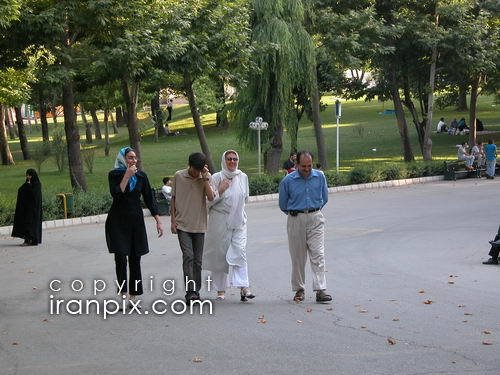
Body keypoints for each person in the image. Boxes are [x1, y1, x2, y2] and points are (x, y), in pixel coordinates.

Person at [105, 147, 164, 308]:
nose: (133, 160)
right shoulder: (114, 174)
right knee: (120, 258)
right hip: (117, 220)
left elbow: (149, 198)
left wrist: (158, 219)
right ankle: (123, 294)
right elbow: (116, 194)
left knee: (135, 257)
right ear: (123, 159)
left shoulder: (141, 176)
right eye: (130, 157)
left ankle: (134, 295)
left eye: (135, 158)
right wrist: (126, 176)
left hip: (135, 221)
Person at [278, 150, 332, 304]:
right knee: (298, 257)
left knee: (318, 254)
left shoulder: (319, 176)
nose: (307, 169)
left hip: (316, 217)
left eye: (309, 166)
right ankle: (299, 289)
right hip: (296, 218)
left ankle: (320, 290)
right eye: (303, 166)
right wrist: (296, 213)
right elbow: (283, 204)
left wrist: (314, 211)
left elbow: (325, 197)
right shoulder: (288, 181)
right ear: (296, 165)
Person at [203, 150, 255, 302]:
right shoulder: (216, 177)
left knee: (240, 250)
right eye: (229, 159)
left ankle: (244, 286)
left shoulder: (242, 176)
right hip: (219, 220)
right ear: (223, 161)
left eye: (234, 159)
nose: (232, 162)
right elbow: (207, 202)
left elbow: (245, 198)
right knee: (220, 254)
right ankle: (220, 290)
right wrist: (220, 189)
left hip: (239, 220)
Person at [171, 152, 215, 302]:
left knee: (198, 260)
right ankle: (190, 292)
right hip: (183, 224)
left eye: (199, 170)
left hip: (200, 225)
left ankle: (196, 290)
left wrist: (204, 179)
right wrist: (172, 220)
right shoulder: (179, 176)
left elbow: (211, 197)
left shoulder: (204, 177)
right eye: (195, 170)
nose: (196, 173)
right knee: (188, 256)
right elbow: (174, 198)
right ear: (189, 166)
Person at [11, 169, 42, 246]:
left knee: (31, 225)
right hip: (27, 209)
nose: (28, 177)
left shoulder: (37, 184)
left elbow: (34, 195)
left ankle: (32, 240)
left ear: (33, 175)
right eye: (27, 175)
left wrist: (28, 186)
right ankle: (27, 240)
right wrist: (27, 185)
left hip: (34, 210)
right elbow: (21, 190)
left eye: (29, 175)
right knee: (27, 224)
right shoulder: (27, 183)